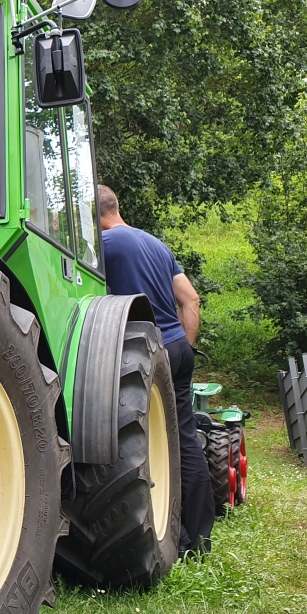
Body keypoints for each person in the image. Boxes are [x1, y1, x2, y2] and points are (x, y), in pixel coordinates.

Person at [97, 185, 211, 557]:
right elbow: (190, 298)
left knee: (148, 443)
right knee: (184, 439)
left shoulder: (105, 247)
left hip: (142, 352)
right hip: (177, 345)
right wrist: (184, 346)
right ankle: (198, 536)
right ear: (117, 206)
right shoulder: (156, 244)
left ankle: (159, 529)